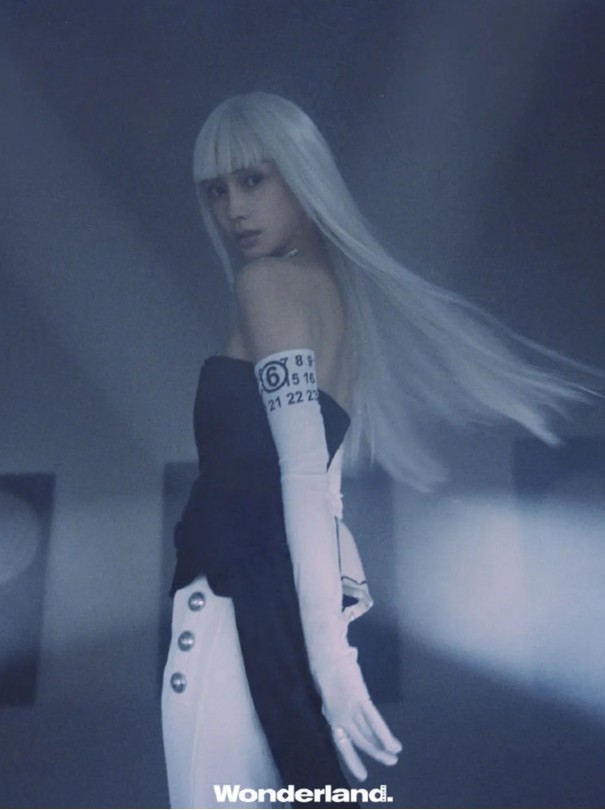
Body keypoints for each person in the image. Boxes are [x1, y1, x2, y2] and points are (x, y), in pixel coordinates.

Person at [161, 92, 594, 809]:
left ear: (300, 172)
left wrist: (331, 657)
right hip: (273, 609)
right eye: (215, 191)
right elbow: (319, 489)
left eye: (253, 179)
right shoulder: (338, 302)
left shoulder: (266, 285)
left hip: (234, 612)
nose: (234, 209)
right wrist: (325, 637)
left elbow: (305, 479)